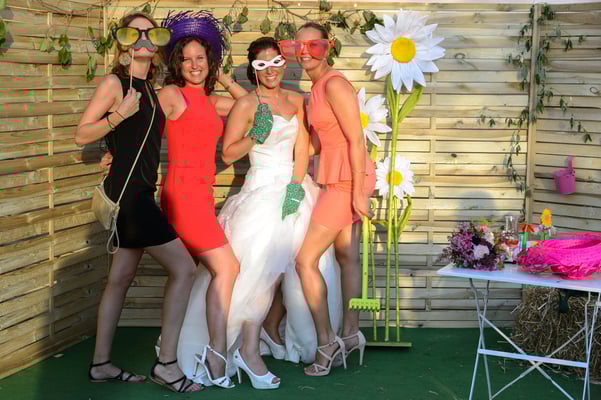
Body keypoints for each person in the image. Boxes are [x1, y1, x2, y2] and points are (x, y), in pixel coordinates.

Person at [75, 11, 201, 393]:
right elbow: (82, 133)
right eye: (135, 33)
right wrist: (117, 116)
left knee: (119, 279)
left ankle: (100, 364)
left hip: (139, 190)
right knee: (185, 270)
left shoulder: (150, 87)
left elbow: (133, 142)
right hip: (130, 198)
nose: (144, 39)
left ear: (158, 43)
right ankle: (167, 365)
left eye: (151, 33)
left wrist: (113, 146)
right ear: (123, 41)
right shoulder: (116, 83)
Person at [217, 36, 342, 389]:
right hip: (261, 191)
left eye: (276, 62)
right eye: (262, 64)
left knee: (300, 268)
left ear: (283, 64)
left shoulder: (296, 100)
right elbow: (227, 154)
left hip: (294, 189)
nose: (270, 70)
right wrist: (255, 136)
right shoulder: (246, 104)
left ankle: (282, 334)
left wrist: (296, 185)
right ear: (252, 69)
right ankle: (247, 349)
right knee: (261, 271)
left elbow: (302, 146)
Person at [281, 22, 376, 376]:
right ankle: (350, 334)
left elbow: (356, 139)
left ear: (328, 47)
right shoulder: (316, 89)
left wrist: (358, 192)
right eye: (299, 46)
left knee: (305, 261)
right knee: (347, 256)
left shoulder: (334, 84)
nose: (306, 52)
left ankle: (327, 342)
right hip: (339, 176)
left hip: (346, 180)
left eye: (315, 45)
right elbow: (322, 141)